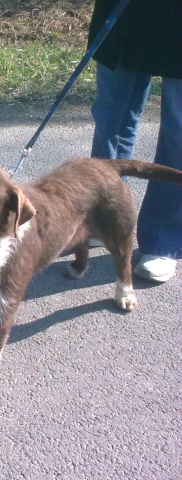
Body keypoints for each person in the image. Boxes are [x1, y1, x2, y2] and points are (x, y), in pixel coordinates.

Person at [89, 0, 182, 282]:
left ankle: (163, 239)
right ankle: (103, 217)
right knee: (111, 120)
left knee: (179, 130)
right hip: (126, 13)